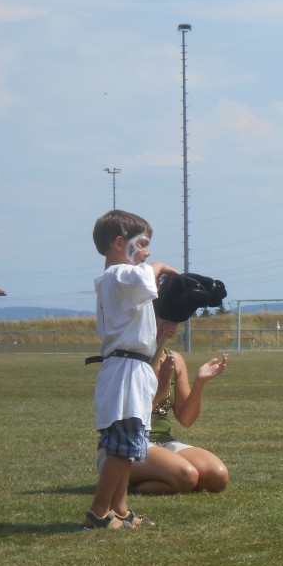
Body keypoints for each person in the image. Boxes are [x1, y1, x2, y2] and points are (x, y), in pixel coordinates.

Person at [85, 210, 177, 529]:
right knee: (121, 447)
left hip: (131, 368)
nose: (147, 252)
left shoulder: (121, 279)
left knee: (131, 444)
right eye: (142, 243)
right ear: (119, 242)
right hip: (124, 370)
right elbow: (144, 277)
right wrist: (162, 267)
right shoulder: (118, 274)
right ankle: (98, 512)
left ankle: (119, 510)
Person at [128, 320, 230, 494]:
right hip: (130, 443)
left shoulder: (174, 359)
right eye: (157, 323)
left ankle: (166, 474)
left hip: (164, 443)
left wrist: (200, 381)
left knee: (218, 477)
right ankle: (125, 484)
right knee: (186, 477)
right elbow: (130, 419)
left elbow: (186, 419)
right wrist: (160, 390)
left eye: (167, 323)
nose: (164, 328)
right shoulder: (129, 360)